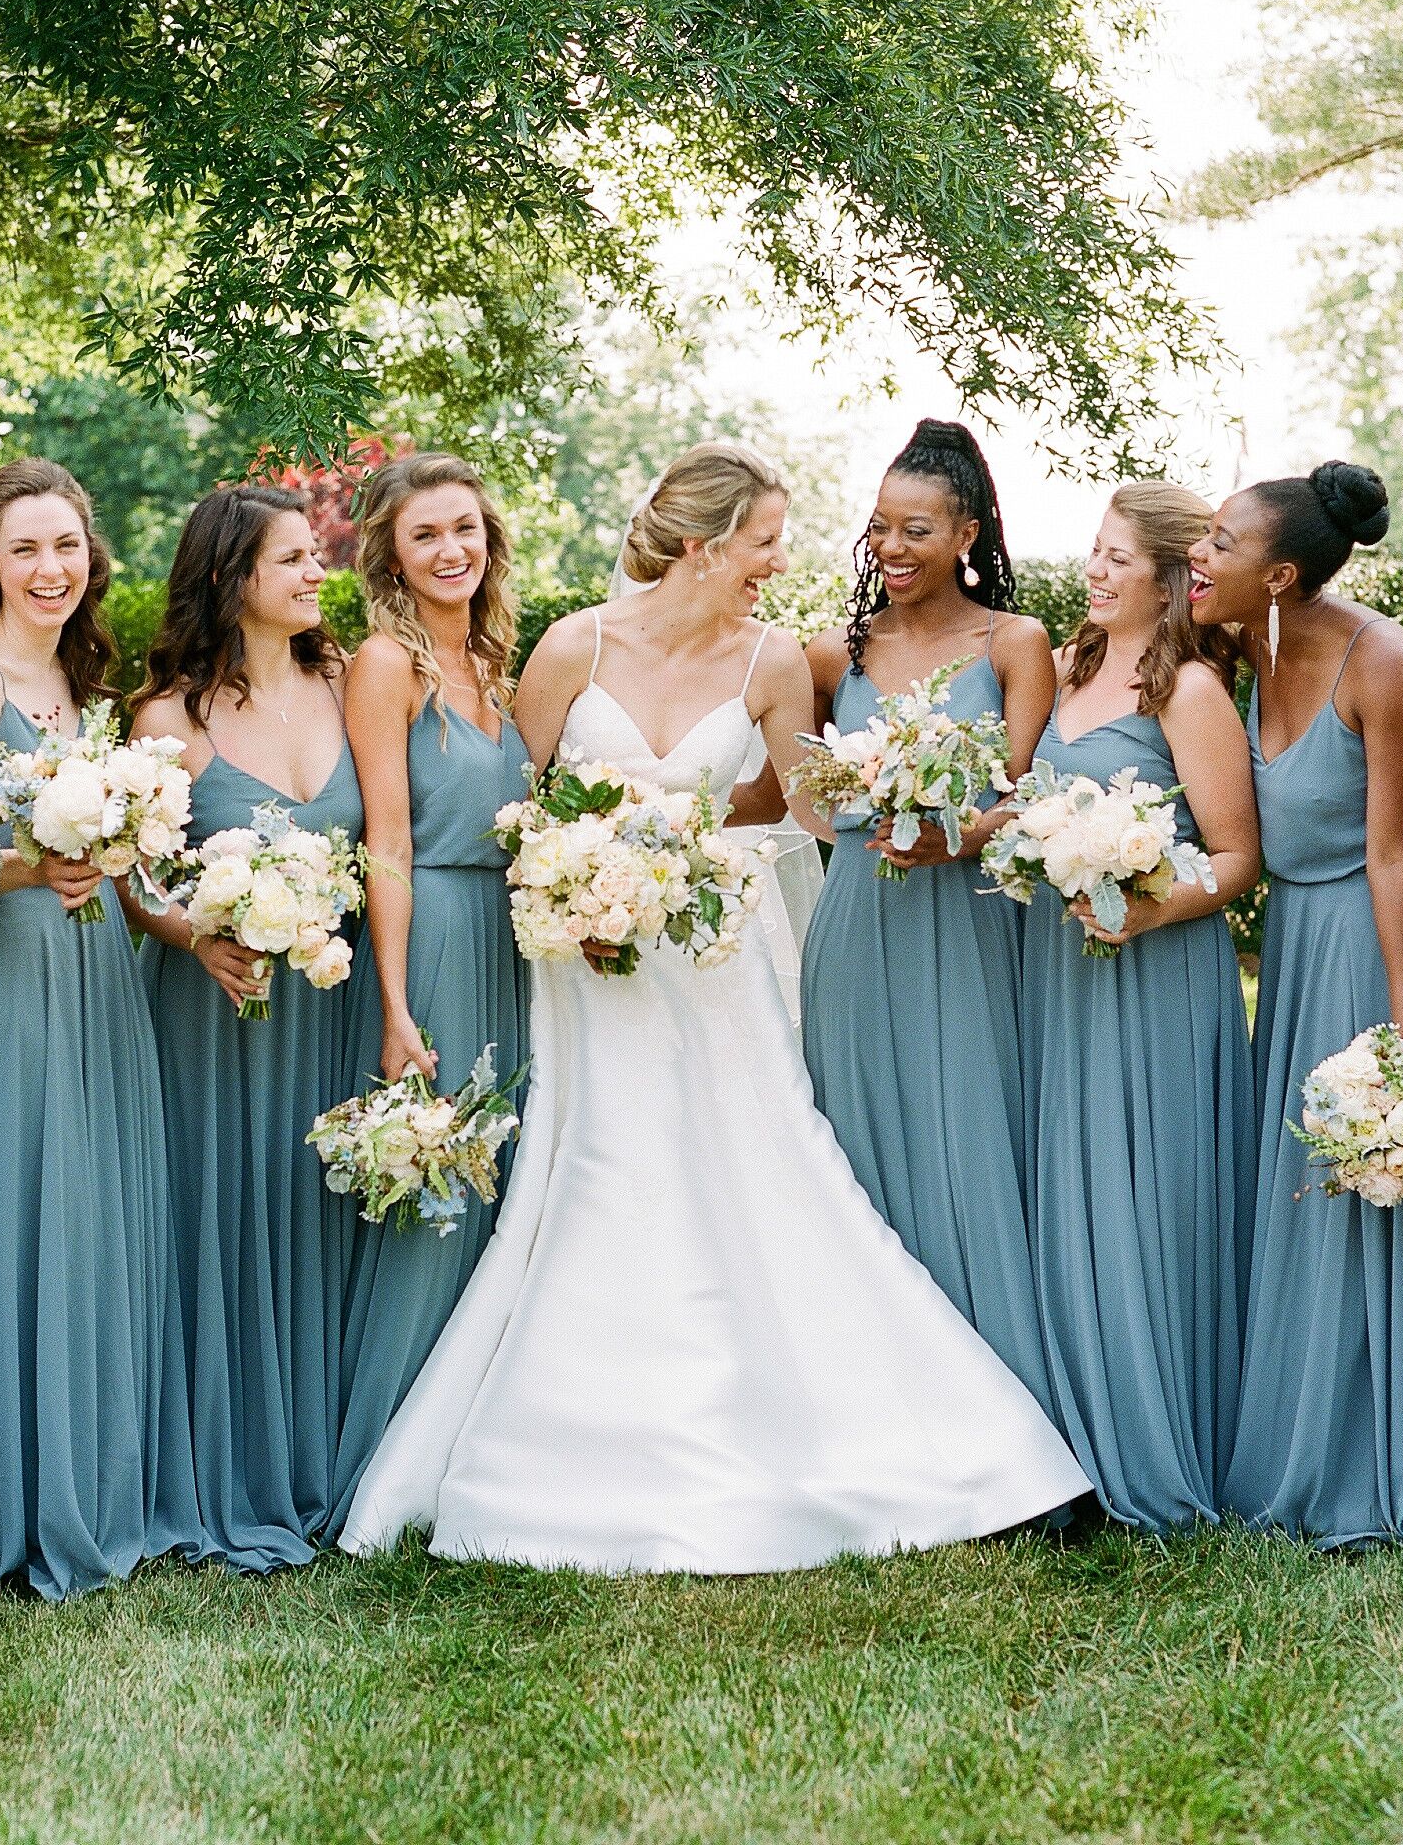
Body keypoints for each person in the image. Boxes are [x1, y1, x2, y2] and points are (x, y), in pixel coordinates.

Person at [338, 442, 1089, 1572]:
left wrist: (912, 792)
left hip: (716, 954)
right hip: (585, 965)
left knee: (773, 1170)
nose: (779, 563)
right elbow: (512, 806)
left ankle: (945, 1444)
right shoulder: (571, 645)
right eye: (764, 543)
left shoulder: (777, 657)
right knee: (601, 1164)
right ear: (701, 544)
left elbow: (805, 805)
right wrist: (579, 875)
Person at [0, 458, 199, 1599]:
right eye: (27, 549)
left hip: (98, 975)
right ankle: (17, 1496)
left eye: (67, 547)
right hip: (12, 975)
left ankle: (98, 1471)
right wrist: (38, 864)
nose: (50, 569)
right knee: (26, 1209)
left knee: (95, 1210)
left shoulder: (82, 683)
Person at [1196, 461, 1403, 1545]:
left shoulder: (1386, 660)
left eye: (1219, 543)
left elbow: (1395, 852)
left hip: (1375, 929)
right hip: (1298, 942)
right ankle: (1289, 1427)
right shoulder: (1246, 639)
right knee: (1301, 1184)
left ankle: (1368, 1454)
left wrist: (1402, 1031)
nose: (1197, 559)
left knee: (1357, 1174)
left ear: (1282, 571)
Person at [127, 486, 374, 1570]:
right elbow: (131, 883)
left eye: (315, 554)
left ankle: (327, 1456)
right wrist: (193, 934)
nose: (316, 572)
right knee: (221, 1222)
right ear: (231, 579)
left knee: (318, 1219)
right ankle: (220, 1464)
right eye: (291, 557)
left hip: (332, 1003)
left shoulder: (349, 680)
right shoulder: (168, 721)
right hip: (214, 1013)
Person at [798, 422, 1058, 1404]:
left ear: (967, 532)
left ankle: (999, 1405)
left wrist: (963, 832)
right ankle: (870, 1396)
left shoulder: (1014, 642)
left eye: (914, 528)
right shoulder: (832, 653)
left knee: (971, 1137)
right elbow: (789, 789)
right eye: (878, 529)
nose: (892, 549)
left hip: (973, 917)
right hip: (859, 921)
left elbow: (1031, 793)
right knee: (858, 1140)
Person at [1018, 484, 1261, 1529]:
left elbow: (1241, 858)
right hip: (1055, 966)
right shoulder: (1067, 665)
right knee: (1062, 1189)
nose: (1097, 570)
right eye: (1095, 551)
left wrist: (1152, 909)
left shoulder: (1191, 694)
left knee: (1142, 1199)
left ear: (1170, 579)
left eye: (1120, 557)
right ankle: (1064, 1442)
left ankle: (1154, 1439)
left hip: (1153, 968)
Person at [334, 453, 531, 1504]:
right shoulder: (387, 663)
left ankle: (476, 1449)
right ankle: (387, 1461)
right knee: (439, 1184)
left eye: (465, 528)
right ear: (392, 556)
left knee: (505, 1186)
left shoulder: (499, 663)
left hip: (516, 940)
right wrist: (398, 1003)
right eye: (426, 536)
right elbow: (389, 840)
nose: (451, 549)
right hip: (438, 935)